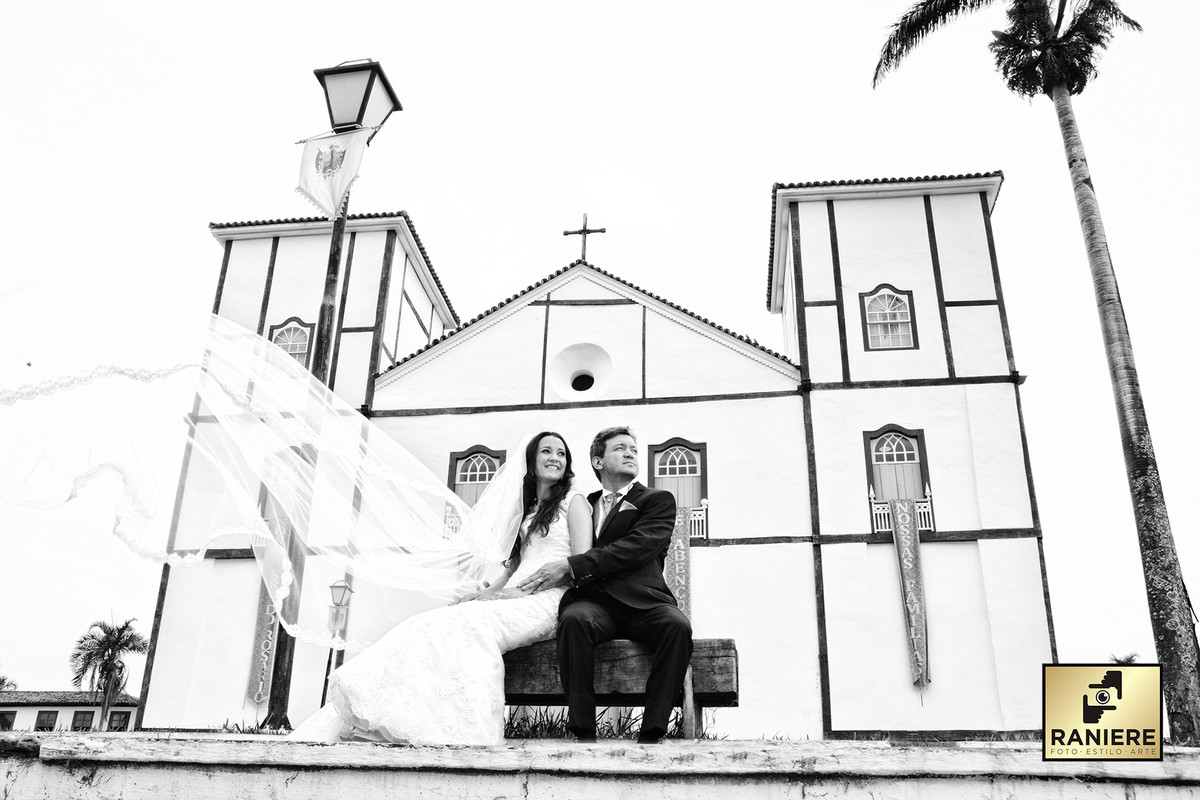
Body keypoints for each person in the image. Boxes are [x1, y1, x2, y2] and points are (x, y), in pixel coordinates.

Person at [287, 431, 591, 744]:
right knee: (431, 620)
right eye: (547, 451)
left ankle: (468, 731)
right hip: (513, 595)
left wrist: (524, 591)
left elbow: (581, 567)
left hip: (548, 600)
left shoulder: (574, 502)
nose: (555, 458)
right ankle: (395, 717)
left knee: (473, 624)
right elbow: (514, 567)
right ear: (532, 460)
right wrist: (486, 593)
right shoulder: (528, 510)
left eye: (561, 453)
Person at [516, 426, 693, 744]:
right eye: (620, 448)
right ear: (597, 461)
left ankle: (653, 730)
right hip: (596, 603)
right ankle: (583, 729)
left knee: (677, 626)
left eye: (633, 450)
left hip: (644, 602)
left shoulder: (657, 500)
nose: (630, 453)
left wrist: (572, 566)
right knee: (573, 619)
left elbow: (637, 547)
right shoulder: (581, 503)